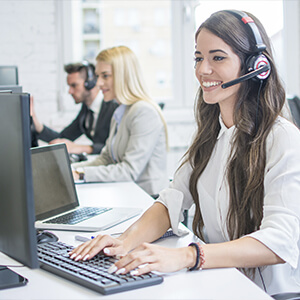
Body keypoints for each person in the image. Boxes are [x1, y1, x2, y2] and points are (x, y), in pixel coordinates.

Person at [69, 11, 300, 295]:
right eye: (198, 58)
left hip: (262, 291)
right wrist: (123, 241)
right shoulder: (210, 133)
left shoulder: (282, 138)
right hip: (220, 280)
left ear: (256, 66)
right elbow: (171, 202)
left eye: (217, 57)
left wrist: (189, 255)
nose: (203, 70)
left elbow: (280, 241)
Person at [72, 46, 169, 196]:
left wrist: (81, 174)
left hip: (150, 201)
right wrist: (71, 169)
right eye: (98, 76)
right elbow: (106, 158)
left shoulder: (143, 112)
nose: (98, 83)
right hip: (129, 195)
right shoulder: (121, 111)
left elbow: (129, 171)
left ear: (124, 76)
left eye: (105, 76)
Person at [31, 62, 119, 154]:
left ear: (90, 83)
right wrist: (37, 125)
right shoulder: (87, 110)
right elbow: (63, 139)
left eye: (74, 85)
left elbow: (116, 148)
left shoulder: (113, 107)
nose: (70, 91)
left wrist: (81, 148)